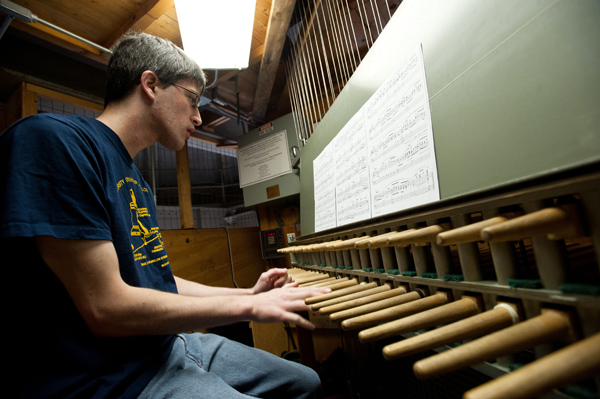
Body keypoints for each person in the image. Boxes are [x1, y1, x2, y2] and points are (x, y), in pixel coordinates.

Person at [1, 32, 328, 399]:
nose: (199, 117)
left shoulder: (137, 182)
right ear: (151, 84)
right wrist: (249, 306)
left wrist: (247, 293)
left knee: (306, 382)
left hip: (165, 347)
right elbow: (105, 307)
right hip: (110, 377)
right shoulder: (53, 141)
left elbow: (157, 278)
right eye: (192, 100)